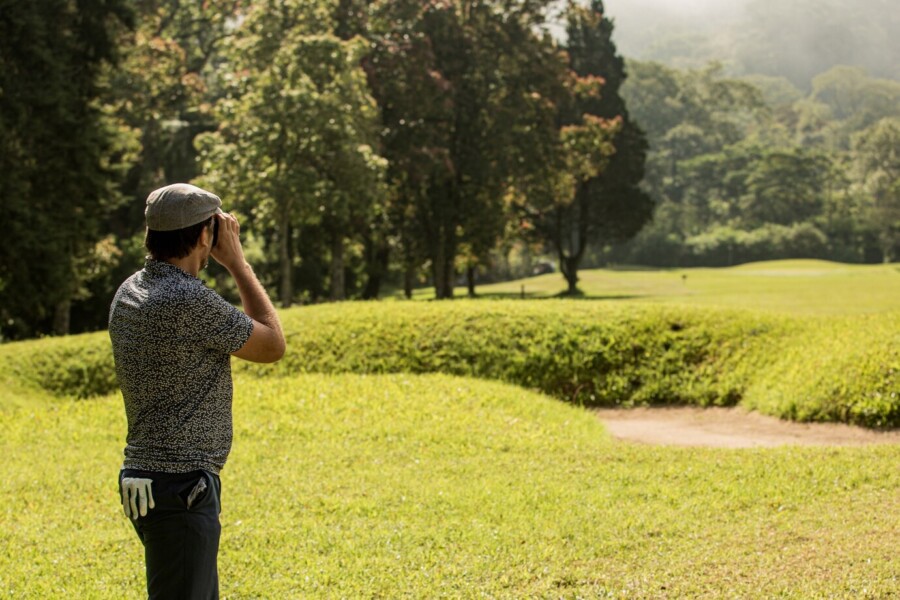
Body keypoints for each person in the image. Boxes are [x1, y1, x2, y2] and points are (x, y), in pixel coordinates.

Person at [108, 183, 286, 599]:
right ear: (206, 235)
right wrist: (238, 263)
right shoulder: (186, 300)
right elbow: (272, 344)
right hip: (182, 488)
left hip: (145, 480)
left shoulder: (131, 290)